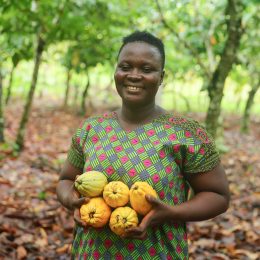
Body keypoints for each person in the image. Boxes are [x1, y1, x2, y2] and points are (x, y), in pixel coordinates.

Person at [56, 31, 230, 259]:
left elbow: (218, 195)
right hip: (93, 253)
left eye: (147, 69)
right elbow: (66, 180)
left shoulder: (187, 133)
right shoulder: (92, 129)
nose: (134, 75)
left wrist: (170, 213)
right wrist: (71, 200)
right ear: (116, 71)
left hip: (158, 253)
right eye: (125, 67)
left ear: (161, 76)